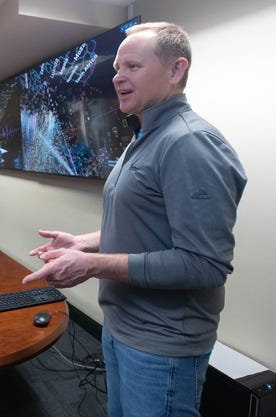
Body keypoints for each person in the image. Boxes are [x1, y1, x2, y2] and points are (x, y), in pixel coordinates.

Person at [22, 22, 247, 417]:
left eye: (133, 67)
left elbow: (204, 264)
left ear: (176, 70)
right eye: (116, 68)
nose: (118, 77)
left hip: (162, 345)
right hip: (123, 328)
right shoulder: (143, 138)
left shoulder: (189, 142)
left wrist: (92, 265)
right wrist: (84, 243)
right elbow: (143, 227)